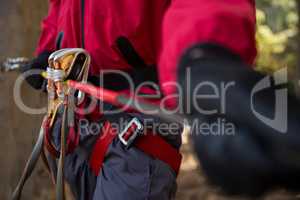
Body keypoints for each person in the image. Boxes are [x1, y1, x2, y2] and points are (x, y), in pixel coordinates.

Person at [23, 0, 300, 199]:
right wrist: (49, 47)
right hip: (75, 119)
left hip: (137, 119)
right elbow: (60, 7)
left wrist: (204, 52)